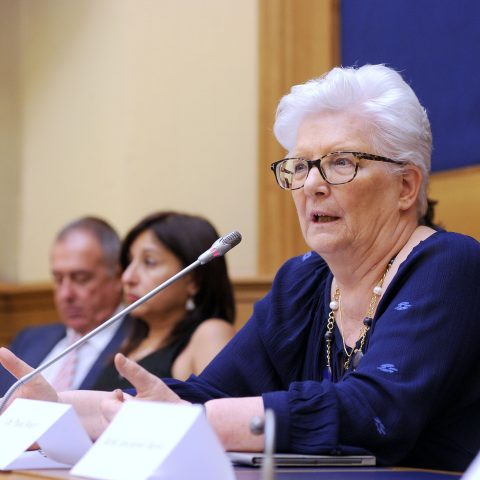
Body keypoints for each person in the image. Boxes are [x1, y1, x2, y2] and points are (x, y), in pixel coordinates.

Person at [1, 64, 479, 472]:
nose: (311, 185)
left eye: (340, 163)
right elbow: (209, 392)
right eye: (299, 166)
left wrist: (194, 421)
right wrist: (63, 409)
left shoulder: (449, 265)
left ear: (405, 186)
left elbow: (376, 413)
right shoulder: (303, 283)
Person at [91, 211, 236, 389]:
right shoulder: (129, 340)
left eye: (149, 262)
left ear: (192, 280)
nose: (127, 277)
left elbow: (224, 412)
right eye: (129, 262)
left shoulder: (210, 334)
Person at [0, 217, 129, 395]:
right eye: (58, 279)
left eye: (81, 278)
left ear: (117, 277)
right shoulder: (30, 339)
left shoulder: (142, 343)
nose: (65, 294)